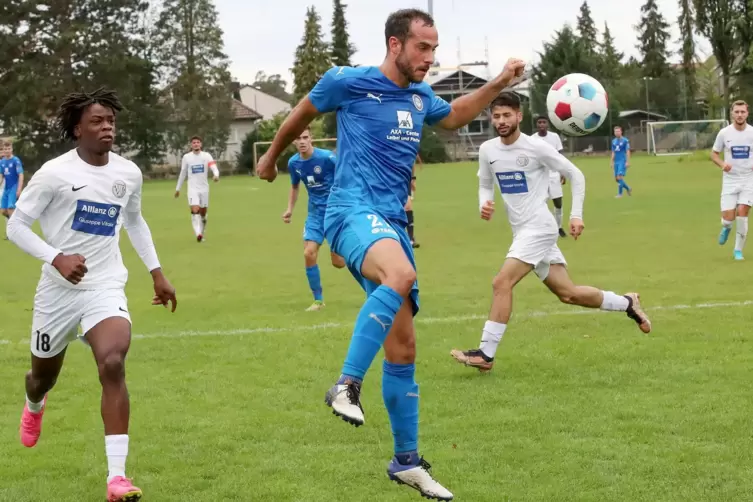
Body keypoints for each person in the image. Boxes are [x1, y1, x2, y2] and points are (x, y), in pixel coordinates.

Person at [256, 8, 526, 501]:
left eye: (434, 49)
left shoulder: (421, 96)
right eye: (423, 47)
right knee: (400, 274)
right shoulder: (348, 82)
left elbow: (458, 114)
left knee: (403, 349)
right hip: (351, 211)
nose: (430, 57)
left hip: (391, 223)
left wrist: (499, 81)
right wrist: (271, 158)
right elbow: (303, 112)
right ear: (395, 44)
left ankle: (406, 461)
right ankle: (345, 384)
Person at [7, 88, 177, 502]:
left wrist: (157, 273)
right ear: (76, 128)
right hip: (57, 293)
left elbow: (134, 222)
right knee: (42, 376)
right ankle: (34, 405)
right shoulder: (53, 174)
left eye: (111, 121)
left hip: (104, 285)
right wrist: (56, 258)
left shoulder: (127, 173)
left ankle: (117, 478)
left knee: (113, 361)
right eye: (97, 122)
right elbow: (15, 227)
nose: (107, 128)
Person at [450, 93, 651, 373]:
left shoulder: (536, 148)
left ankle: (486, 353)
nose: (501, 121)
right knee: (568, 293)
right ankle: (627, 303)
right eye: (496, 116)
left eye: (507, 115)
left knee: (501, 283)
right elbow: (485, 183)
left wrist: (575, 214)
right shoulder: (487, 150)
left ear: (519, 116)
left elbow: (576, 175)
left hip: (539, 228)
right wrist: (484, 203)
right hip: (521, 230)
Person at [283, 126, 345, 311]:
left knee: (339, 263)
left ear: (311, 139)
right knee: (308, 253)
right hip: (315, 214)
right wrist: (289, 209)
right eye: (298, 138)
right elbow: (295, 187)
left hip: (335, 213)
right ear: (294, 142)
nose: (302, 141)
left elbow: (346, 175)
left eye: (305, 137)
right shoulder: (294, 163)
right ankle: (318, 301)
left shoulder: (327, 158)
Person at [711, 100, 753, 260]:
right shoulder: (724, 133)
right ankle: (726, 227)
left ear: (747, 113)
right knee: (728, 218)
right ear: (732, 114)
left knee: (742, 212)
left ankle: (738, 250)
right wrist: (723, 164)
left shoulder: (752, 132)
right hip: (730, 181)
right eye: (737, 112)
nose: (740, 115)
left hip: (748, 180)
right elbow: (713, 154)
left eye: (743, 112)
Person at [174, 136, 219, 242]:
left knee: (203, 213)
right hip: (192, 189)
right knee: (195, 210)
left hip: (204, 189)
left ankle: (202, 233)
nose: (196, 144)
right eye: (194, 142)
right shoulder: (187, 157)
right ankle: (198, 233)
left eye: (198, 142)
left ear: (201, 144)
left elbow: (214, 167)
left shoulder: (206, 156)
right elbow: (183, 173)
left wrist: (216, 175)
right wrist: (178, 189)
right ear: (191, 145)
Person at [535, 116, 566, 237]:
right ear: (536, 125)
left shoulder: (554, 137)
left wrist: (563, 171)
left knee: (558, 203)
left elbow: (560, 155)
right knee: (540, 203)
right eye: (539, 122)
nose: (542, 124)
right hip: (539, 175)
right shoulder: (532, 139)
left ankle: (559, 227)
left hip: (554, 174)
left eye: (544, 122)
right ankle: (543, 228)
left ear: (548, 124)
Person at [0, 140, 25, 237]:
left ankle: (12, 232)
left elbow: (21, 175)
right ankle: (17, 221)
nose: (6, 151)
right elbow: (1, 176)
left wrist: (19, 189)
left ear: (12, 149)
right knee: (2, 211)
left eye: (8, 148)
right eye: (5, 149)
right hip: (6, 188)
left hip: (13, 187)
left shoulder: (15, 160)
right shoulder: (2, 162)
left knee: (10, 209)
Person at [405, 154, 422, 247]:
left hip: (404, 179)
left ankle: (411, 238)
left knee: (408, 206)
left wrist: (412, 179)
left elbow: (411, 160)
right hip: (390, 178)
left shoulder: (407, 142)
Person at [611, 126, 631, 198]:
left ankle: (620, 194)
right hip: (616, 161)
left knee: (619, 177)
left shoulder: (625, 141)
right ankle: (628, 188)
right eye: (615, 131)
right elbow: (613, 152)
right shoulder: (613, 141)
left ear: (621, 132)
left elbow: (628, 151)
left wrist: (627, 162)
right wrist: (611, 162)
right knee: (617, 179)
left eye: (618, 131)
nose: (617, 133)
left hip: (622, 161)